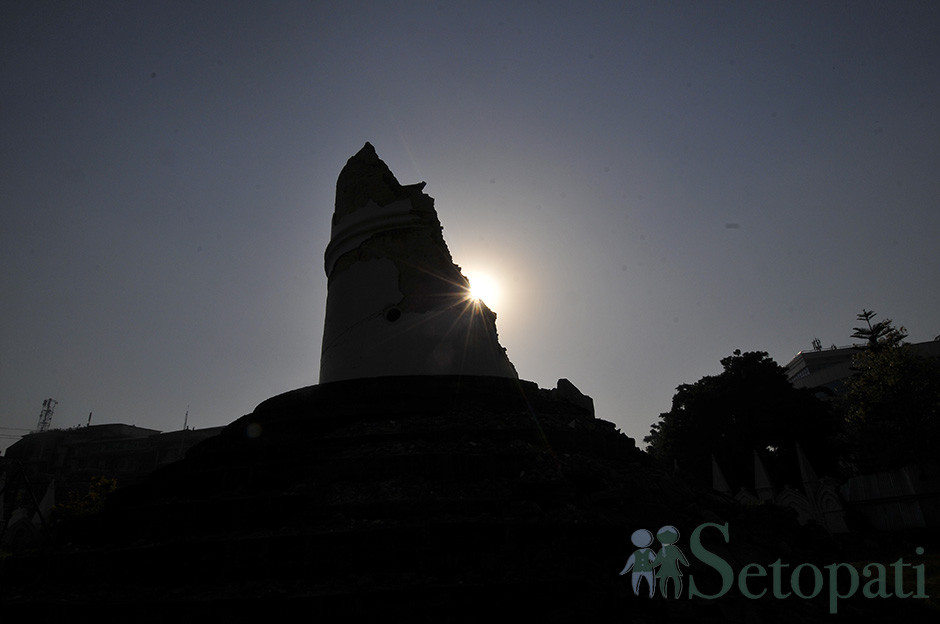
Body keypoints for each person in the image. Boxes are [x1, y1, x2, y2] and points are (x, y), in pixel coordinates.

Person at [653, 525, 689, 598]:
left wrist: (685, 563)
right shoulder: (668, 549)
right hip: (669, 568)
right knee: (673, 580)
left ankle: (672, 595)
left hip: (670, 568)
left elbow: (657, 562)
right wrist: (685, 563)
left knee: (670, 580)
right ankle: (670, 595)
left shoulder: (671, 549)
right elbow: (657, 561)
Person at [619, 528, 656, 597]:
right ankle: (636, 593)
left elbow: (655, 561)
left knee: (651, 583)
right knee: (635, 583)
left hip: (647, 570)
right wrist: (624, 571)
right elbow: (629, 562)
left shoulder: (649, 552)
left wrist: (652, 566)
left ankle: (651, 592)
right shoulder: (636, 553)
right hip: (637, 570)